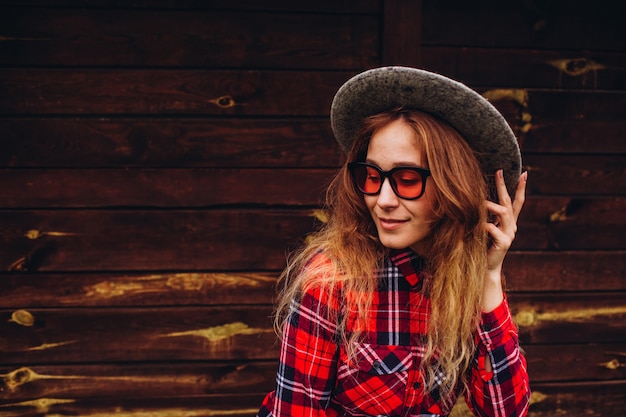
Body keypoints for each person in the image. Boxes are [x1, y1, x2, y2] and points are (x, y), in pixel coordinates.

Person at [257, 67, 531, 417]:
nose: (382, 199)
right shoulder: (331, 281)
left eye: (406, 179)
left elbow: (505, 412)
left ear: (454, 186)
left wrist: (488, 279)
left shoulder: (463, 281)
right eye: (372, 176)